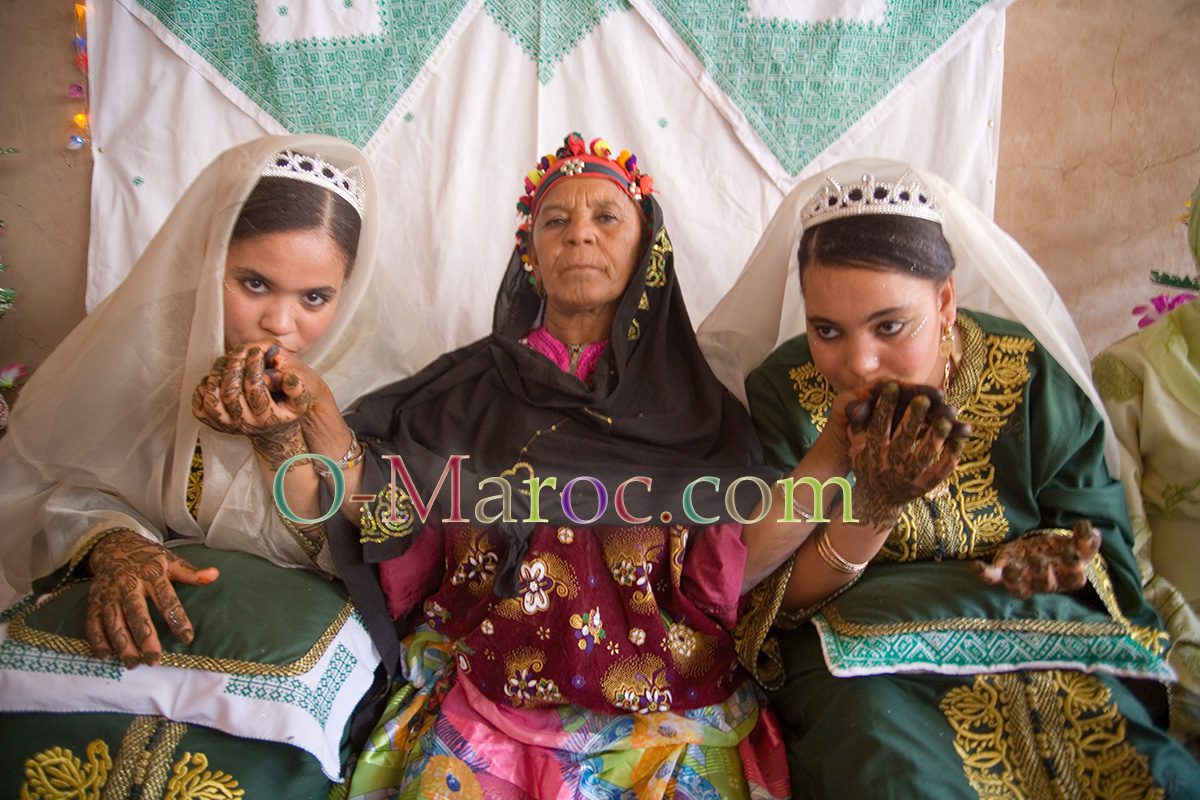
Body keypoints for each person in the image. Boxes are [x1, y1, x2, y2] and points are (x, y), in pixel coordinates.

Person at [199, 132, 792, 798]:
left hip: (667, 721)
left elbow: (729, 569)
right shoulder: (459, 395)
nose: (579, 237)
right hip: (483, 707)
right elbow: (395, 524)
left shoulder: (701, 412)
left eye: (606, 218)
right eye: (556, 221)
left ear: (647, 249)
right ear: (530, 255)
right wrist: (317, 419)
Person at [698, 160, 1200, 797]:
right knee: (895, 774)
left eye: (890, 326)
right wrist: (849, 477)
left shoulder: (1025, 374)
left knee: (1137, 773)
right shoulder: (786, 390)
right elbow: (762, 593)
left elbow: (1094, 525)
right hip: (858, 659)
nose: (858, 361)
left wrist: (1059, 557)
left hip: (1035, 632)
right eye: (827, 330)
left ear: (944, 303)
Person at [0, 134, 422, 666]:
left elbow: (397, 550)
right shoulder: (151, 344)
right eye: (253, 284)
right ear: (211, 257)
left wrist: (289, 440)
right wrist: (113, 543)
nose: (280, 323)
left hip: (301, 644)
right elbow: (54, 485)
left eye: (315, 297)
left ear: (349, 288)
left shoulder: (383, 372)